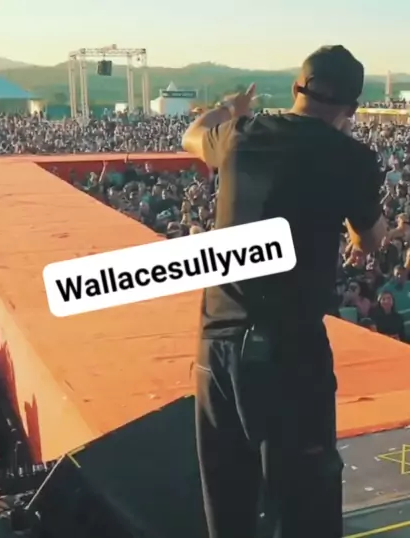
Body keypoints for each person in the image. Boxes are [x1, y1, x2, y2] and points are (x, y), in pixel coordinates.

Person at [182, 45, 386, 538]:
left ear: (297, 88)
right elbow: (371, 238)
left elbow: (191, 135)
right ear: (351, 107)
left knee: (228, 505)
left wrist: (231, 108)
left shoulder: (239, 134)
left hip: (216, 347)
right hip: (290, 355)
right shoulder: (351, 157)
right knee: (304, 508)